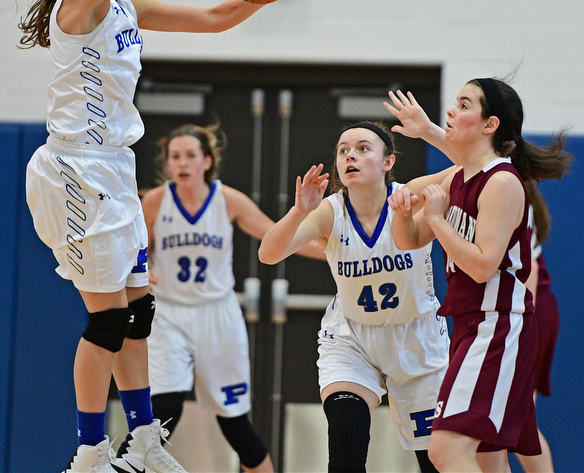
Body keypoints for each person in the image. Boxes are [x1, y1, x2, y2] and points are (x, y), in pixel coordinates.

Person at [19, 0, 324, 473]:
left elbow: (214, 18)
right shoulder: (77, 0)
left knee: (139, 313)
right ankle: (89, 450)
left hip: (113, 168)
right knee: (108, 320)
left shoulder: (125, 7)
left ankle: (142, 439)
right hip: (75, 170)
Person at [258, 92, 458, 473]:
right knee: (346, 444)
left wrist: (430, 131)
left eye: (363, 148)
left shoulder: (409, 197)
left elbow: (476, 163)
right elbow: (268, 253)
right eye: (343, 150)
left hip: (417, 339)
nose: (350, 155)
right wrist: (299, 209)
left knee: (434, 462)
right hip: (352, 339)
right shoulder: (328, 213)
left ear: (388, 162)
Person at [388, 77, 572, 473]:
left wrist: (437, 219)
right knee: (487, 458)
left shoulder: (502, 182)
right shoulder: (456, 178)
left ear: (489, 124)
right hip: (471, 326)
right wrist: (402, 212)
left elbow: (483, 264)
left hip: (499, 327)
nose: (451, 111)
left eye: (464, 104)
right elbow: (410, 240)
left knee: (446, 451)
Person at [141, 123, 326, 473]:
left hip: (217, 316)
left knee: (236, 426)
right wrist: (139, 269)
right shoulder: (155, 202)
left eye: (190, 156)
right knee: (161, 416)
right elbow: (133, 250)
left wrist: (340, 252)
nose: (182, 163)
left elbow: (279, 237)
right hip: (167, 315)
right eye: (175, 157)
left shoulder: (227, 200)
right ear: (167, 164)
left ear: (207, 161)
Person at [517, 181, 560, 473]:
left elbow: (528, 268)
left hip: (527, 311)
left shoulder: (507, 188)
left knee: (520, 418)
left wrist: (520, 326)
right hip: (524, 310)